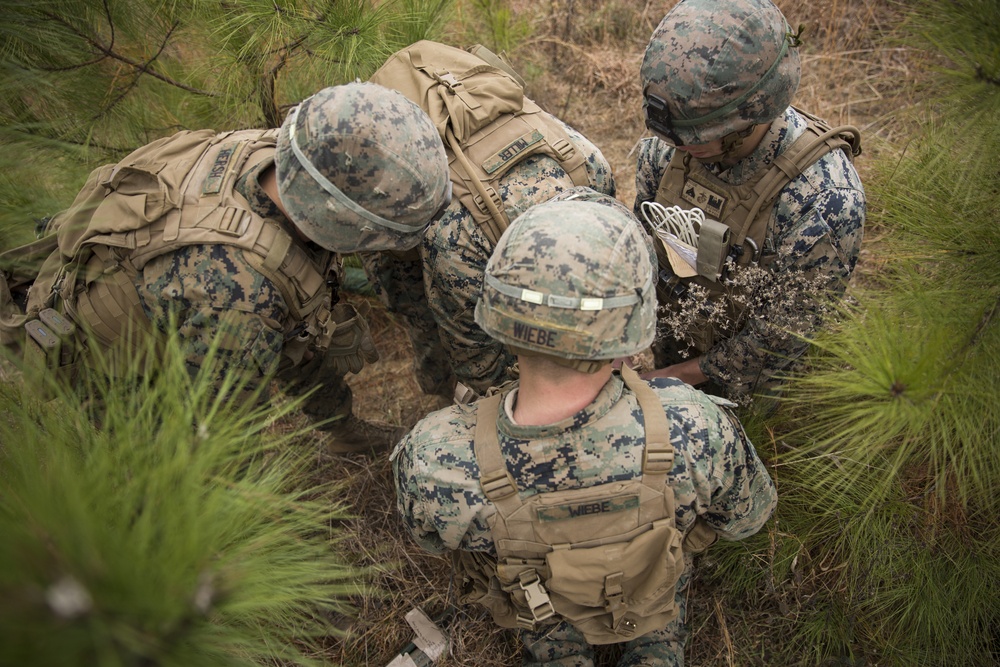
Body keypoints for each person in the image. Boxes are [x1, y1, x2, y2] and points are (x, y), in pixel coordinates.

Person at [392, 199, 776, 666]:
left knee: (541, 618)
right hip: (651, 586)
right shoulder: (693, 427)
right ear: (629, 339)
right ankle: (655, 646)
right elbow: (746, 518)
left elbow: (431, 540)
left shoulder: (436, 457)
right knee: (658, 614)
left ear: (500, 321)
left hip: (537, 599)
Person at [0, 82, 452, 451]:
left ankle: (343, 432)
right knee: (187, 461)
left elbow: (294, 330)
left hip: (161, 294)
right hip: (106, 365)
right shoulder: (240, 298)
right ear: (330, 216)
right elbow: (224, 435)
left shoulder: (270, 153)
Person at [634, 0, 865, 406]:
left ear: (754, 113)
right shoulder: (666, 148)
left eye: (697, 135)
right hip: (670, 355)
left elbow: (778, 341)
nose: (681, 147)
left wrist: (671, 380)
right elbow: (643, 251)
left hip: (758, 392)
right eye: (675, 135)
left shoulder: (823, 201)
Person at [362, 41, 616, 403]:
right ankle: (437, 395)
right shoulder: (456, 243)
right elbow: (479, 366)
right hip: (431, 204)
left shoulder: (589, 168)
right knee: (416, 308)